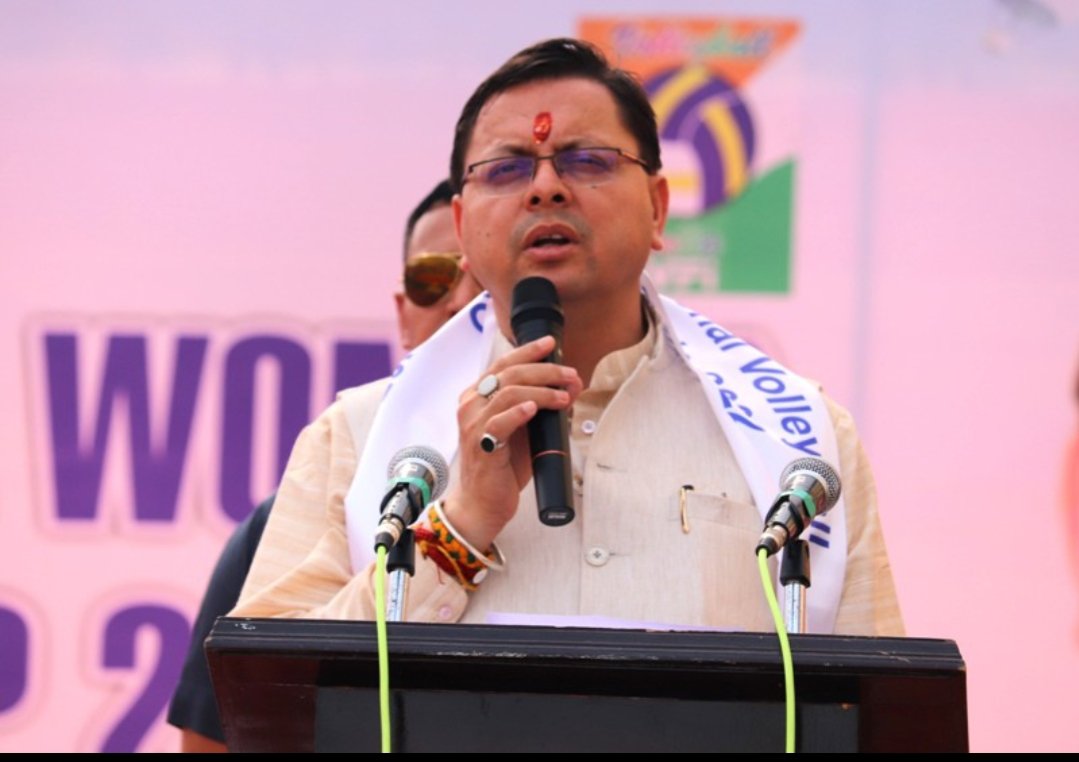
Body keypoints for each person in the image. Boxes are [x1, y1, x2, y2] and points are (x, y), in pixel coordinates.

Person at [231, 38, 903, 637]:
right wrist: (458, 526)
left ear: (657, 208)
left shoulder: (799, 442)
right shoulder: (357, 436)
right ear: (462, 227)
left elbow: (874, 705)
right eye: (507, 169)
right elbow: (274, 691)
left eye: (587, 161)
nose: (546, 188)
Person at [166, 179, 481, 752]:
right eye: (432, 278)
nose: (458, 302)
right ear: (403, 313)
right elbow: (213, 740)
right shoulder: (292, 518)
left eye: (482, 278)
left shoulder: (566, 475)